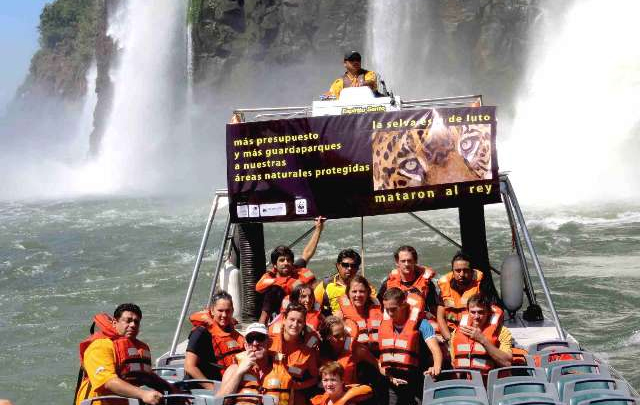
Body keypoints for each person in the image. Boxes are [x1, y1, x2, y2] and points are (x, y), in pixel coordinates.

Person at [75, 303, 170, 405]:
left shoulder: (138, 348)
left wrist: (171, 388)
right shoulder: (100, 346)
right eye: (128, 320)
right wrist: (143, 394)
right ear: (115, 323)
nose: (133, 325)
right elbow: (107, 382)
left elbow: (147, 375)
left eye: (136, 322)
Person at [378, 288, 443, 405]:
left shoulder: (422, 324)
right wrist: (389, 376)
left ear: (403, 305)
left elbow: (436, 351)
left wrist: (436, 367)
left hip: (418, 379)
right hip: (394, 380)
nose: (390, 313)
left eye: (393, 309)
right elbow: (381, 359)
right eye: (387, 310)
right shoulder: (384, 325)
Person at [257, 217, 326, 324]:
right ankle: (261, 326)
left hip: (305, 309)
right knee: (274, 290)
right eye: (282, 260)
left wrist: (318, 229)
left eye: (288, 260)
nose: (286, 263)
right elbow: (259, 288)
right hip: (281, 314)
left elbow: (307, 253)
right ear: (275, 265)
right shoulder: (270, 277)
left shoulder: (297, 270)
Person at [217, 322, 292, 405]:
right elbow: (219, 403)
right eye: (250, 339)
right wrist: (239, 373)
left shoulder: (284, 367)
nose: (255, 343)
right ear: (245, 345)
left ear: (269, 343)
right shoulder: (234, 369)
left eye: (260, 338)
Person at [185, 291, 245, 388]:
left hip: (229, 383)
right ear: (212, 311)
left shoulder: (233, 334)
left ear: (232, 311)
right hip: (206, 389)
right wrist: (212, 388)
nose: (224, 315)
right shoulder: (201, 333)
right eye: (220, 311)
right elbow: (189, 367)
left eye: (228, 311)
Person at [269, 303, 320, 405]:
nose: (295, 324)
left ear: (303, 325)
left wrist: (298, 385)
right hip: (270, 387)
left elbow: (315, 378)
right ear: (284, 319)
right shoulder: (269, 340)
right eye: (292, 320)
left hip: (294, 390)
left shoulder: (308, 350)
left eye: (300, 321)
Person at [450, 294, 512, 376]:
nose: (476, 316)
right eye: (473, 312)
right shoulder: (456, 333)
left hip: (490, 382)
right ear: (468, 312)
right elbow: (454, 363)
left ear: (488, 313)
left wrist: (482, 340)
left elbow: (507, 363)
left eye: (481, 312)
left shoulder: (502, 332)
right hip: (465, 384)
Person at [377, 246, 439, 317]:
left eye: (409, 260)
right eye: (403, 261)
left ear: (415, 261)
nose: (406, 264)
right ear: (397, 262)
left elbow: (434, 307)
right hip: (395, 321)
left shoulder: (427, 283)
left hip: (418, 321)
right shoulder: (387, 283)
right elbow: (380, 306)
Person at [437, 251, 485, 341]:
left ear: (471, 271)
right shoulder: (445, 287)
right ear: (453, 271)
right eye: (458, 271)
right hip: (451, 331)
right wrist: (449, 339)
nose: (461, 274)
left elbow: (485, 315)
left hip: (472, 331)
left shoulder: (480, 286)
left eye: (465, 270)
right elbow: (440, 317)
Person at [318, 316, 380, 385]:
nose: (342, 338)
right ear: (327, 337)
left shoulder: (358, 350)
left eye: (343, 334)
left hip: (354, 390)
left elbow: (375, 366)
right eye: (336, 336)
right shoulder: (320, 352)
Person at [336, 275, 383, 357]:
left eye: (362, 291)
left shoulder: (378, 307)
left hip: (378, 353)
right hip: (356, 357)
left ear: (367, 293)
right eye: (354, 291)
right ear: (348, 293)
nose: (358, 295)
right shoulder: (340, 315)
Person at [314, 249, 362, 315]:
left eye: (353, 266)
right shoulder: (325, 285)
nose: (349, 268)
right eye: (345, 265)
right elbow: (313, 309)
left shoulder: (364, 287)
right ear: (338, 265)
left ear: (357, 268)